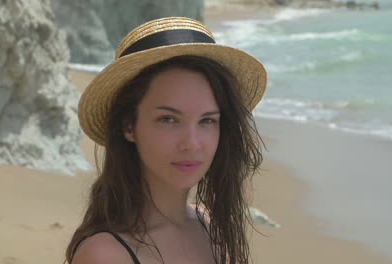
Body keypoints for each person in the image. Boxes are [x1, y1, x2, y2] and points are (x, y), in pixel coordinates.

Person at [66, 17, 267, 264]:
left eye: (207, 121)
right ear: (128, 126)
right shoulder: (106, 254)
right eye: (168, 119)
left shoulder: (210, 226)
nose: (192, 143)